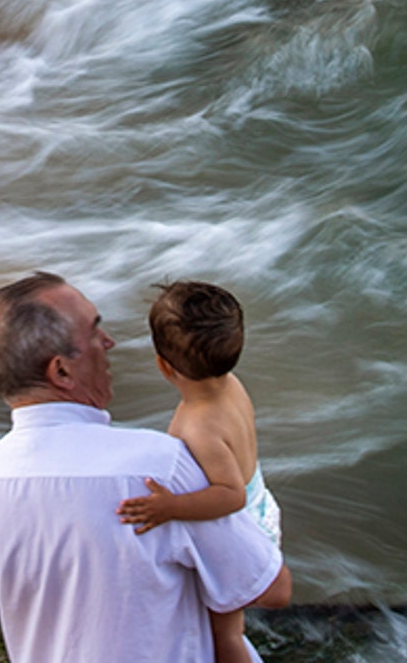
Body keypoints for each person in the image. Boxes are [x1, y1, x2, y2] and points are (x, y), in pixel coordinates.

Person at [0, 272, 291, 663]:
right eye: (95, 332)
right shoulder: (159, 468)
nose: (110, 342)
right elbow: (272, 589)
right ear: (61, 372)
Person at [115, 281, 281, 663]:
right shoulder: (232, 387)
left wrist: (170, 507)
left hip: (242, 526)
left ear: (162, 365)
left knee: (227, 634)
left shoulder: (198, 426)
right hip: (260, 506)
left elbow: (229, 494)